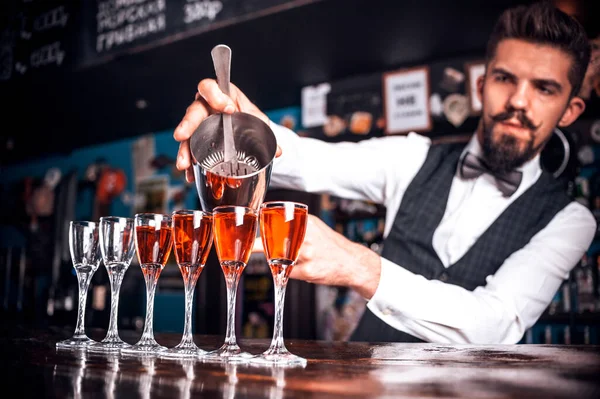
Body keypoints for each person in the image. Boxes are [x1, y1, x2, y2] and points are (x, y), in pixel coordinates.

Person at [173, 1, 596, 344]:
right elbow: (306, 159)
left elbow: (496, 324)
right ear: (482, 86)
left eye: (544, 88)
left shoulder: (571, 220)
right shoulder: (411, 157)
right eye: (506, 78)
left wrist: (358, 265)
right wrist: (239, 125)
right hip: (367, 384)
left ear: (570, 110)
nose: (519, 101)